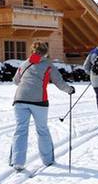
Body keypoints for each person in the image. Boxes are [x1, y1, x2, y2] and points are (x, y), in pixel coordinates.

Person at [10, 41, 75, 172]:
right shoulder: (48, 65)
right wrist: (70, 90)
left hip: (20, 100)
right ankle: (48, 160)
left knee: (20, 130)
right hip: (39, 101)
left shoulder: (24, 63)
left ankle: (17, 162)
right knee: (42, 130)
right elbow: (59, 82)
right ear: (45, 52)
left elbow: (16, 81)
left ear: (32, 51)